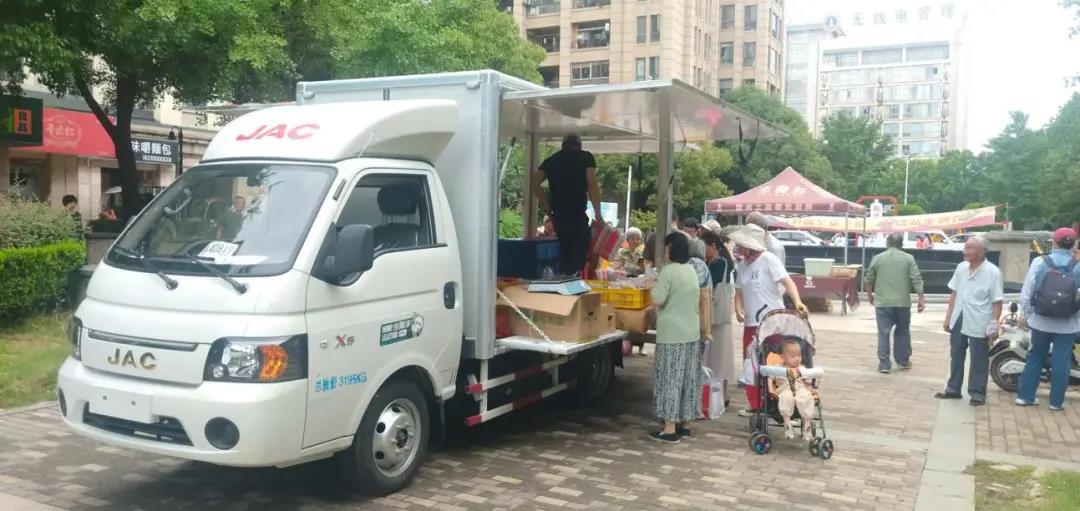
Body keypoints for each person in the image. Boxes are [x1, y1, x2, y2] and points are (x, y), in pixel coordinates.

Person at [732, 224, 809, 415]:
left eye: (743, 245)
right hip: (751, 323)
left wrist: (797, 301)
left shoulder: (768, 259)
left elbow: (787, 282)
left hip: (772, 322)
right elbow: (739, 291)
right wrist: (738, 308)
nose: (740, 248)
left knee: (772, 362)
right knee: (751, 363)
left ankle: (777, 402)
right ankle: (755, 404)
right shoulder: (742, 266)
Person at [1015, 228, 1080, 411]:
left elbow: (1026, 293)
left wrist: (1026, 315)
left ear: (1054, 242)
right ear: (1074, 244)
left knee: (1035, 356)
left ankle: (1025, 397)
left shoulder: (1039, 262)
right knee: (1061, 361)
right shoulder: (1078, 266)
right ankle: (1055, 402)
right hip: (1068, 324)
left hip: (1040, 321)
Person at [935, 236, 1004, 406]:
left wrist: (994, 324)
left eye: (969, 248)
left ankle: (977, 393)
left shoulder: (993, 272)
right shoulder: (961, 268)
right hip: (960, 316)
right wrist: (948, 317)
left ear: (981, 252)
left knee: (979, 357)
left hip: (980, 319)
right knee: (956, 353)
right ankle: (953, 389)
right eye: (965, 247)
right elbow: (954, 293)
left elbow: (997, 301)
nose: (965, 251)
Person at [649, 233, 704, 444]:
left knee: (670, 379)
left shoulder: (668, 271)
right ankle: (685, 425)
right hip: (691, 333)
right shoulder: (691, 270)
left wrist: (652, 285)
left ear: (670, 249)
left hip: (671, 334)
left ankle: (669, 429)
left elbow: (658, 299)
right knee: (688, 380)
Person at [531, 134, 602, 276]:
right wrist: (598, 214)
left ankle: (563, 278)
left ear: (563, 145)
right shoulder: (586, 157)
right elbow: (592, 183)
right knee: (578, 257)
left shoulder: (553, 160)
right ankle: (572, 278)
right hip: (577, 216)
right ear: (579, 145)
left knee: (563, 255)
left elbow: (534, 181)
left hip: (559, 217)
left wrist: (546, 205)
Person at [865, 233, 926, 373]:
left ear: (887, 243)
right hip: (902, 302)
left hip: (883, 302)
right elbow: (916, 278)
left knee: (883, 333)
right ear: (901, 244)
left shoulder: (878, 258)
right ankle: (903, 361)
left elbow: (869, 279)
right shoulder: (909, 258)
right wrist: (921, 298)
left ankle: (884, 364)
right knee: (903, 331)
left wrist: (870, 296)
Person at [702, 229, 737, 406]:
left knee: (721, 354)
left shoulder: (721, 263)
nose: (704, 251)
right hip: (710, 314)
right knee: (710, 355)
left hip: (720, 315)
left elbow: (710, 281)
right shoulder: (708, 262)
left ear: (714, 246)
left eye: (705, 247)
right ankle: (711, 392)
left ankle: (724, 392)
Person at [771, 339, 817, 441]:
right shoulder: (778, 368)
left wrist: (810, 389)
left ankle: (807, 425)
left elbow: (807, 383)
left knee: (807, 398)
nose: (797, 359)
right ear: (783, 357)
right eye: (793, 356)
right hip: (785, 389)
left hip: (800, 389)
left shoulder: (802, 369)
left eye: (799, 356)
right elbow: (769, 377)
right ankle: (787, 424)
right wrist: (771, 389)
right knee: (786, 398)